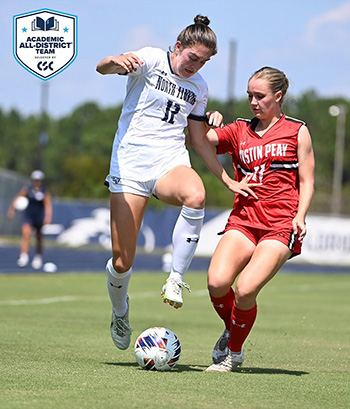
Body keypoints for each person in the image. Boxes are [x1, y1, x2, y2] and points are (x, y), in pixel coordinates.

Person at [96, 15, 257, 351]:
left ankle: (176, 278)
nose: (195, 66)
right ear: (179, 46)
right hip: (130, 164)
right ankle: (120, 311)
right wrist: (115, 61)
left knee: (195, 194)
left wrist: (226, 178)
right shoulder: (152, 59)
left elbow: (198, 140)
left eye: (204, 62)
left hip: (169, 159)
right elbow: (103, 68)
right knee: (123, 260)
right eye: (192, 58)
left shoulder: (199, 87)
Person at [201, 67, 315, 372]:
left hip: (280, 225)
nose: (253, 101)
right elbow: (199, 139)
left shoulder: (297, 130)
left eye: (260, 96)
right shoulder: (239, 130)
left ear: (278, 96)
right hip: (244, 220)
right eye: (249, 95)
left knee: (246, 289)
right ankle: (232, 330)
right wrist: (204, 117)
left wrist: (301, 216)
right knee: (217, 282)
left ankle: (233, 353)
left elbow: (307, 179)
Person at [7, 170, 53, 269]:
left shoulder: (44, 191)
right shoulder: (27, 190)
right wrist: (12, 209)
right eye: (35, 180)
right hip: (28, 216)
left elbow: (47, 205)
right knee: (26, 234)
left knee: (39, 238)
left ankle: (38, 257)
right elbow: (17, 198)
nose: (37, 182)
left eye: (38, 180)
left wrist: (48, 217)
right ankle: (24, 256)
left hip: (39, 217)